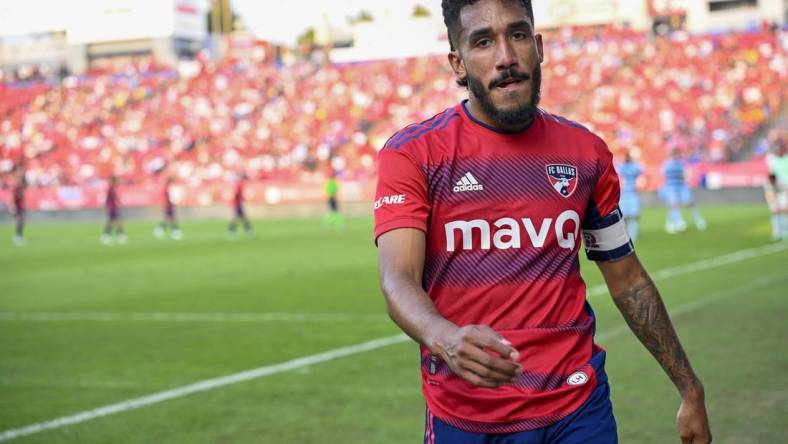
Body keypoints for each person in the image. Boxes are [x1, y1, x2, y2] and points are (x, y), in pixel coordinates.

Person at [374, 1, 712, 442]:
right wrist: (445, 337)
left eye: (516, 35)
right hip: (466, 416)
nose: (505, 58)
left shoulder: (585, 153)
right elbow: (398, 278)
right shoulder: (413, 155)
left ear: (538, 46)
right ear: (457, 63)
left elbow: (627, 279)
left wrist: (690, 388)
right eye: (482, 41)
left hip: (577, 409)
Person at [659, 148, 706, 234]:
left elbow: (685, 175)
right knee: (673, 204)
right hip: (671, 186)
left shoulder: (681, 163)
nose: (677, 156)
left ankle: (698, 219)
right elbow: (664, 176)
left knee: (689, 203)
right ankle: (676, 222)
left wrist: (685, 180)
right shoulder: (667, 164)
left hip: (681, 186)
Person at [616, 151, 643, 242]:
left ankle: (631, 237)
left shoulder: (622, 167)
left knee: (630, 217)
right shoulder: (633, 167)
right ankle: (629, 237)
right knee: (628, 217)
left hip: (629, 194)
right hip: (627, 194)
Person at [765, 142, 788, 240]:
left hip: (786, 187)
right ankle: (777, 232)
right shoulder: (773, 160)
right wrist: (772, 189)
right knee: (775, 210)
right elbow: (772, 175)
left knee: (785, 210)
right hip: (776, 187)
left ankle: (785, 231)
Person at [154, 176, 183, 240]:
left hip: (168, 205)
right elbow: (169, 197)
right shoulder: (168, 188)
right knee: (171, 218)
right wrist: (172, 202)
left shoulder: (169, 188)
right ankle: (173, 231)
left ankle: (163, 229)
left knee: (169, 218)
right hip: (168, 205)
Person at [227, 173, 254, 239]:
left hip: (238, 204)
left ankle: (248, 231)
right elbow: (237, 194)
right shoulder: (238, 184)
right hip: (238, 204)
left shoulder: (238, 184)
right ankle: (231, 232)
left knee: (243, 218)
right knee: (237, 218)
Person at [101, 175, 126, 245]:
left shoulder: (113, 188)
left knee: (113, 222)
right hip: (113, 208)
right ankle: (119, 236)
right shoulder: (111, 189)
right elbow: (114, 198)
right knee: (116, 222)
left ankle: (107, 236)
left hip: (113, 208)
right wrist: (120, 203)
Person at [11, 169, 26, 246]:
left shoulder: (21, 186)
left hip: (21, 207)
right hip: (17, 207)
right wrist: (12, 206)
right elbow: (13, 197)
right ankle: (17, 236)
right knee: (19, 221)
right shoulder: (16, 186)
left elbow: (21, 198)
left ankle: (19, 236)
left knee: (22, 222)